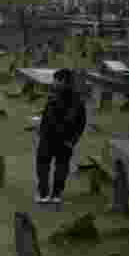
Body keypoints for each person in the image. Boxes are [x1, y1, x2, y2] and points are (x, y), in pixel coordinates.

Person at [35, 68, 87, 205]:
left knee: (43, 166)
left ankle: (44, 194)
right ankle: (56, 194)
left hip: (49, 139)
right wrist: (73, 140)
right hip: (66, 141)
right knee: (61, 167)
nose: (53, 82)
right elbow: (81, 123)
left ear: (63, 81)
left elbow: (47, 117)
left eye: (56, 80)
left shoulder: (54, 97)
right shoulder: (78, 100)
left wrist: (42, 132)